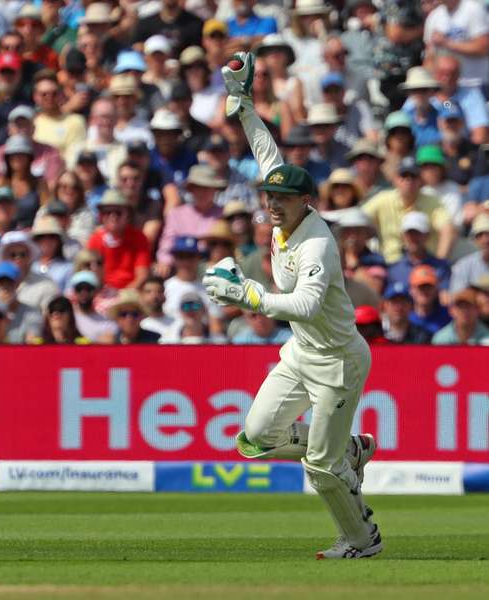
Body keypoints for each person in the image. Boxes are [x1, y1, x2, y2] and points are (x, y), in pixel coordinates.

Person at [203, 52, 381, 559]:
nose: (272, 204)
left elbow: (303, 303)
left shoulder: (317, 243)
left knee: (320, 469)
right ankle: (349, 449)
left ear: (308, 202)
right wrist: (242, 103)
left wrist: (245, 295)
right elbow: (265, 150)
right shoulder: (283, 215)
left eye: (283, 199)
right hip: (301, 355)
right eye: (269, 197)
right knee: (254, 438)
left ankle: (362, 540)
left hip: (340, 360)